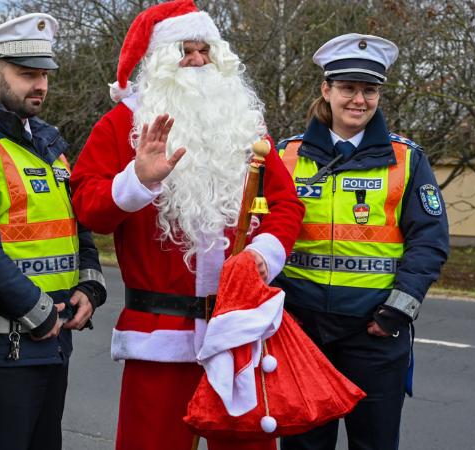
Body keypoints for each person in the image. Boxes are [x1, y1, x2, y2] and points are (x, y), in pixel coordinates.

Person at [69, 1, 305, 449]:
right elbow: (87, 207)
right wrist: (137, 181)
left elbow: (286, 204)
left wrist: (264, 254)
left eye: (204, 50)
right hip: (159, 336)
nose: (197, 61)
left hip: (238, 333)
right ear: (159, 61)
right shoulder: (123, 124)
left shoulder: (243, 124)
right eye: (184, 51)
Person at [0, 13, 106, 450]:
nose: (40, 85)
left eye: (44, 75)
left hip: (55, 343)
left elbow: (76, 228)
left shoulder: (49, 145)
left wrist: (90, 286)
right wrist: (39, 310)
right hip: (2, 350)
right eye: (28, 75)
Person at [273, 34, 450, 450]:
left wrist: (396, 311)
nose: (359, 99)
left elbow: (430, 242)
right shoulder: (283, 156)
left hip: (375, 330)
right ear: (326, 90)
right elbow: (260, 233)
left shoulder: (408, 159)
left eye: (369, 90)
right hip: (301, 330)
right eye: (348, 88)